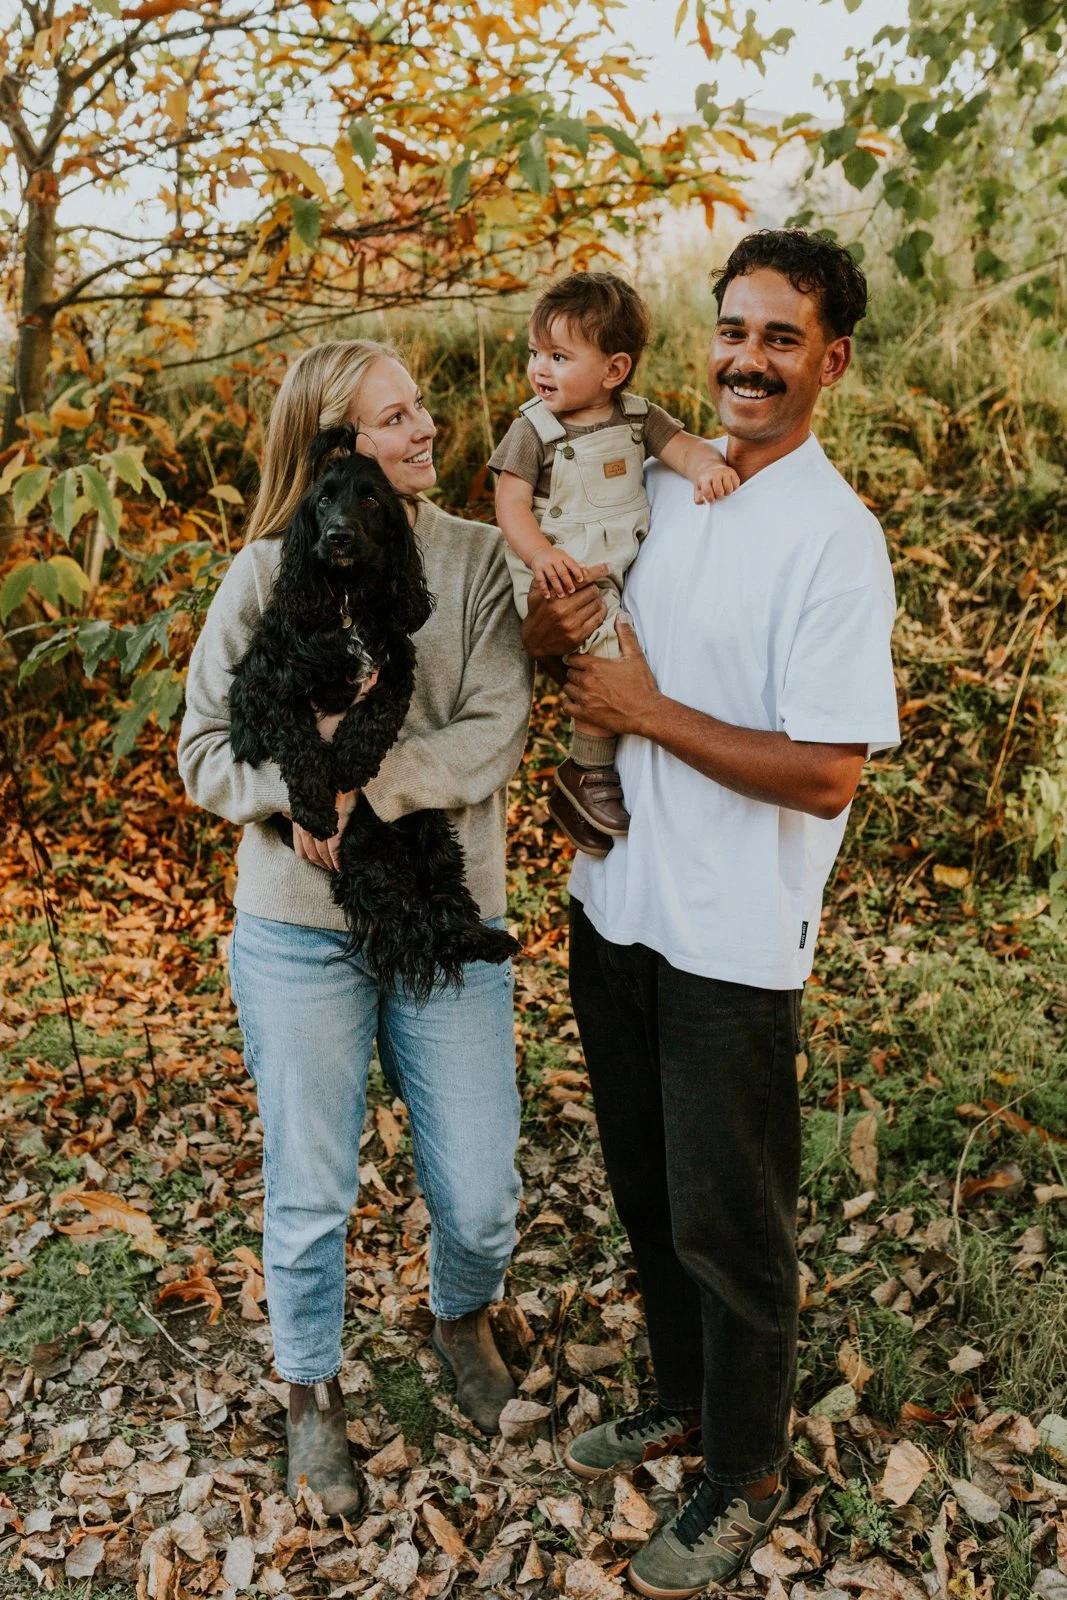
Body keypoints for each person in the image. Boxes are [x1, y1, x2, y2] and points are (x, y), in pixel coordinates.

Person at [520, 231, 900, 1597]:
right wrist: (563, 643)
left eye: (778, 338)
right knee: (645, 1189)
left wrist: (640, 715)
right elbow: (584, 618)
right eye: (731, 330)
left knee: (733, 1221)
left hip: (732, 930)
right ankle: (680, 1396)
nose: (745, 358)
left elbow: (825, 770)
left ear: (828, 360)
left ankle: (742, 1471)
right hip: (615, 899)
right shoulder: (670, 481)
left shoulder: (832, 542)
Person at [177, 340, 533, 1519]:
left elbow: (496, 722)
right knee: (312, 1182)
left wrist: (365, 790)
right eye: (393, 419)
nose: (424, 429)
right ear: (335, 449)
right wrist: (293, 792)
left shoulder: (479, 561)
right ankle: (312, 1388)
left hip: (446, 913)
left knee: (479, 1193)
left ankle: (458, 1309)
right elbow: (201, 751)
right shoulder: (260, 573)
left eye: (421, 407)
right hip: (296, 929)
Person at [489, 272, 738, 856]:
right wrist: (541, 554)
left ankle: (598, 782)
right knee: (607, 641)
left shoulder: (637, 418)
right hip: (554, 565)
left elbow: (684, 447)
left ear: (614, 370)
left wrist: (705, 468)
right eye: (535, 353)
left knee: (631, 637)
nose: (540, 369)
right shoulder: (534, 429)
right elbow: (509, 502)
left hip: (608, 560)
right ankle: (587, 768)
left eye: (558, 356)